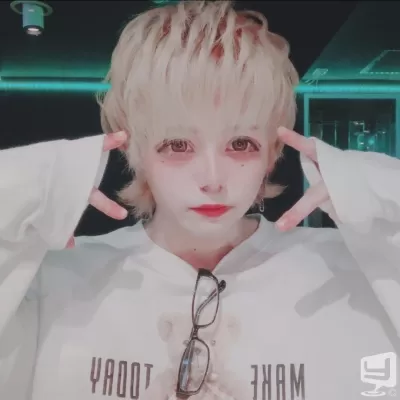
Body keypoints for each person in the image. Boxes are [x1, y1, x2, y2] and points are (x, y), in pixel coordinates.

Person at [1, 1, 399, 399]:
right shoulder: (55, 278)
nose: (212, 180)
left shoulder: (347, 272)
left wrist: (382, 195)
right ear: (135, 150)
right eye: (177, 144)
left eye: (240, 143)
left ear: (272, 152)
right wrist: (24, 188)